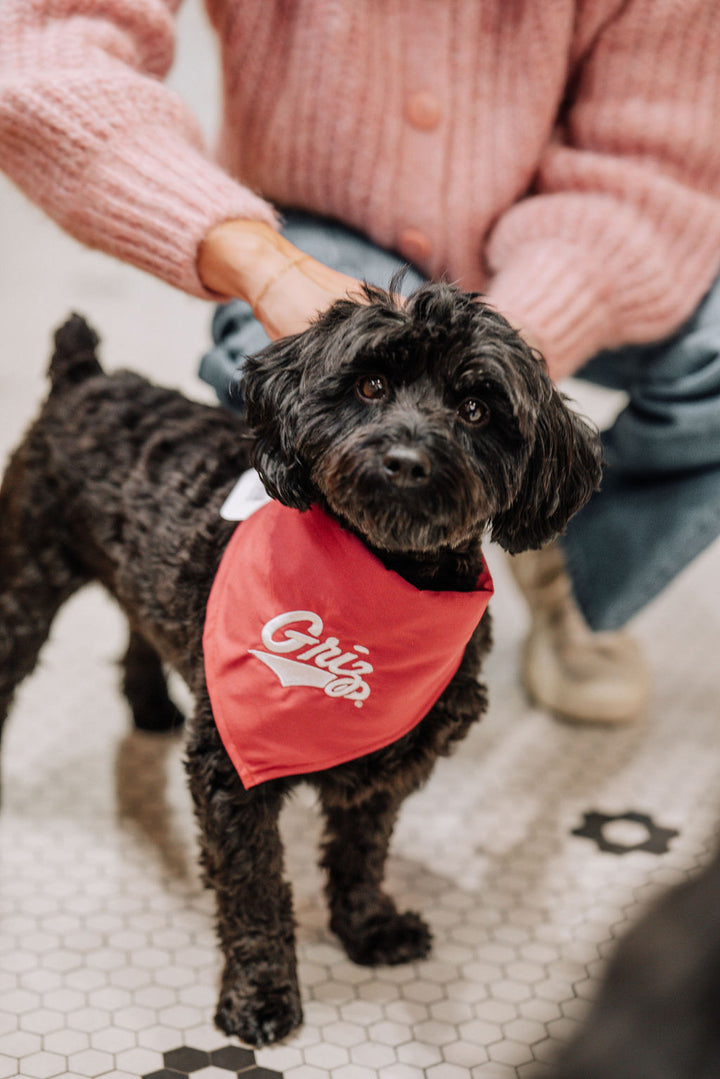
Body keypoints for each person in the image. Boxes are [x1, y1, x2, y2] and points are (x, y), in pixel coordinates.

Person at [2, 1, 719, 724]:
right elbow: (38, 52)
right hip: (321, 224)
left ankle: (563, 558)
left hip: (569, 233)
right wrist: (258, 261)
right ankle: (315, 606)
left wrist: (503, 364)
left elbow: (651, 161)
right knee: (273, 370)